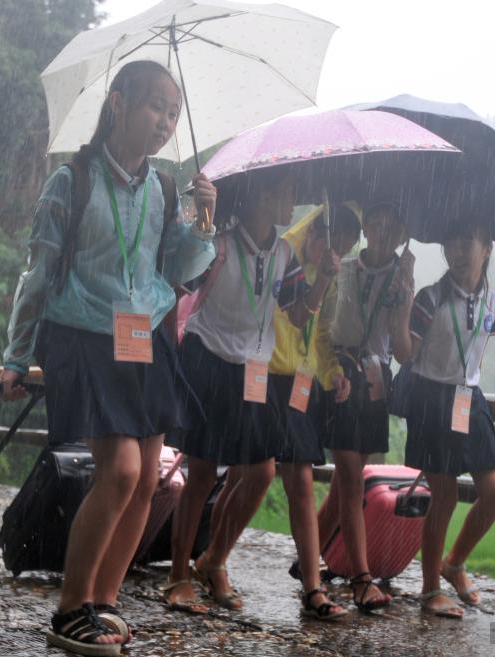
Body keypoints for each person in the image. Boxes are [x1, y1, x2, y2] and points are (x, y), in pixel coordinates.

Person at [0, 60, 217, 656]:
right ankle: (70, 608)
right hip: (83, 335)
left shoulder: (163, 190)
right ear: (117, 103)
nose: (166, 122)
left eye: (173, 112)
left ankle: (103, 602)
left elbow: (176, 271)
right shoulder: (72, 180)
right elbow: (38, 274)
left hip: (144, 340)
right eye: (155, 107)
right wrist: (16, 357)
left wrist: (203, 222)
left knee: (147, 479)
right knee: (119, 471)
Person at [163, 168, 340, 617]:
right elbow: (176, 281)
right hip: (209, 361)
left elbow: (298, 316)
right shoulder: (218, 247)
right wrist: (202, 219)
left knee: (260, 472)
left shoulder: (284, 254)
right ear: (261, 196)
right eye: (286, 191)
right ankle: (178, 577)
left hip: (251, 370)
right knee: (201, 473)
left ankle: (213, 561)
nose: (293, 200)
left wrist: (322, 281)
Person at [393, 223, 495, 619]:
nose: (458, 250)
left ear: (487, 247)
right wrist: (403, 305)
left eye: (467, 241)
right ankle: (430, 590)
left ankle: (454, 562)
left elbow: (478, 348)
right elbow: (405, 354)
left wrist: (467, 382)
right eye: (452, 242)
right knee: (445, 495)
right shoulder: (429, 299)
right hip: (431, 397)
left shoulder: (493, 304)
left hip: (467, 397)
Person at [313, 203, 412, 611]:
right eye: (378, 222)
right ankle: (361, 577)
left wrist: (402, 302)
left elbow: (402, 351)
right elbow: (326, 322)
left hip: (375, 381)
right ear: (367, 226)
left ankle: (310, 554)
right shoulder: (345, 269)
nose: (384, 232)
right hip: (340, 373)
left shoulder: (400, 278)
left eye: (394, 225)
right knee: (352, 477)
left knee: (348, 480)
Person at [268, 203, 362, 621]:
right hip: (266, 374)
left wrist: (334, 373)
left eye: (342, 250)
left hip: (300, 384)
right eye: (330, 243)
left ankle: (312, 587)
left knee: (301, 482)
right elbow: (288, 316)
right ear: (315, 232)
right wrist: (318, 281)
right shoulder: (282, 255)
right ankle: (208, 559)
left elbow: (320, 336)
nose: (332, 254)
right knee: (245, 477)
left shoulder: (328, 271)